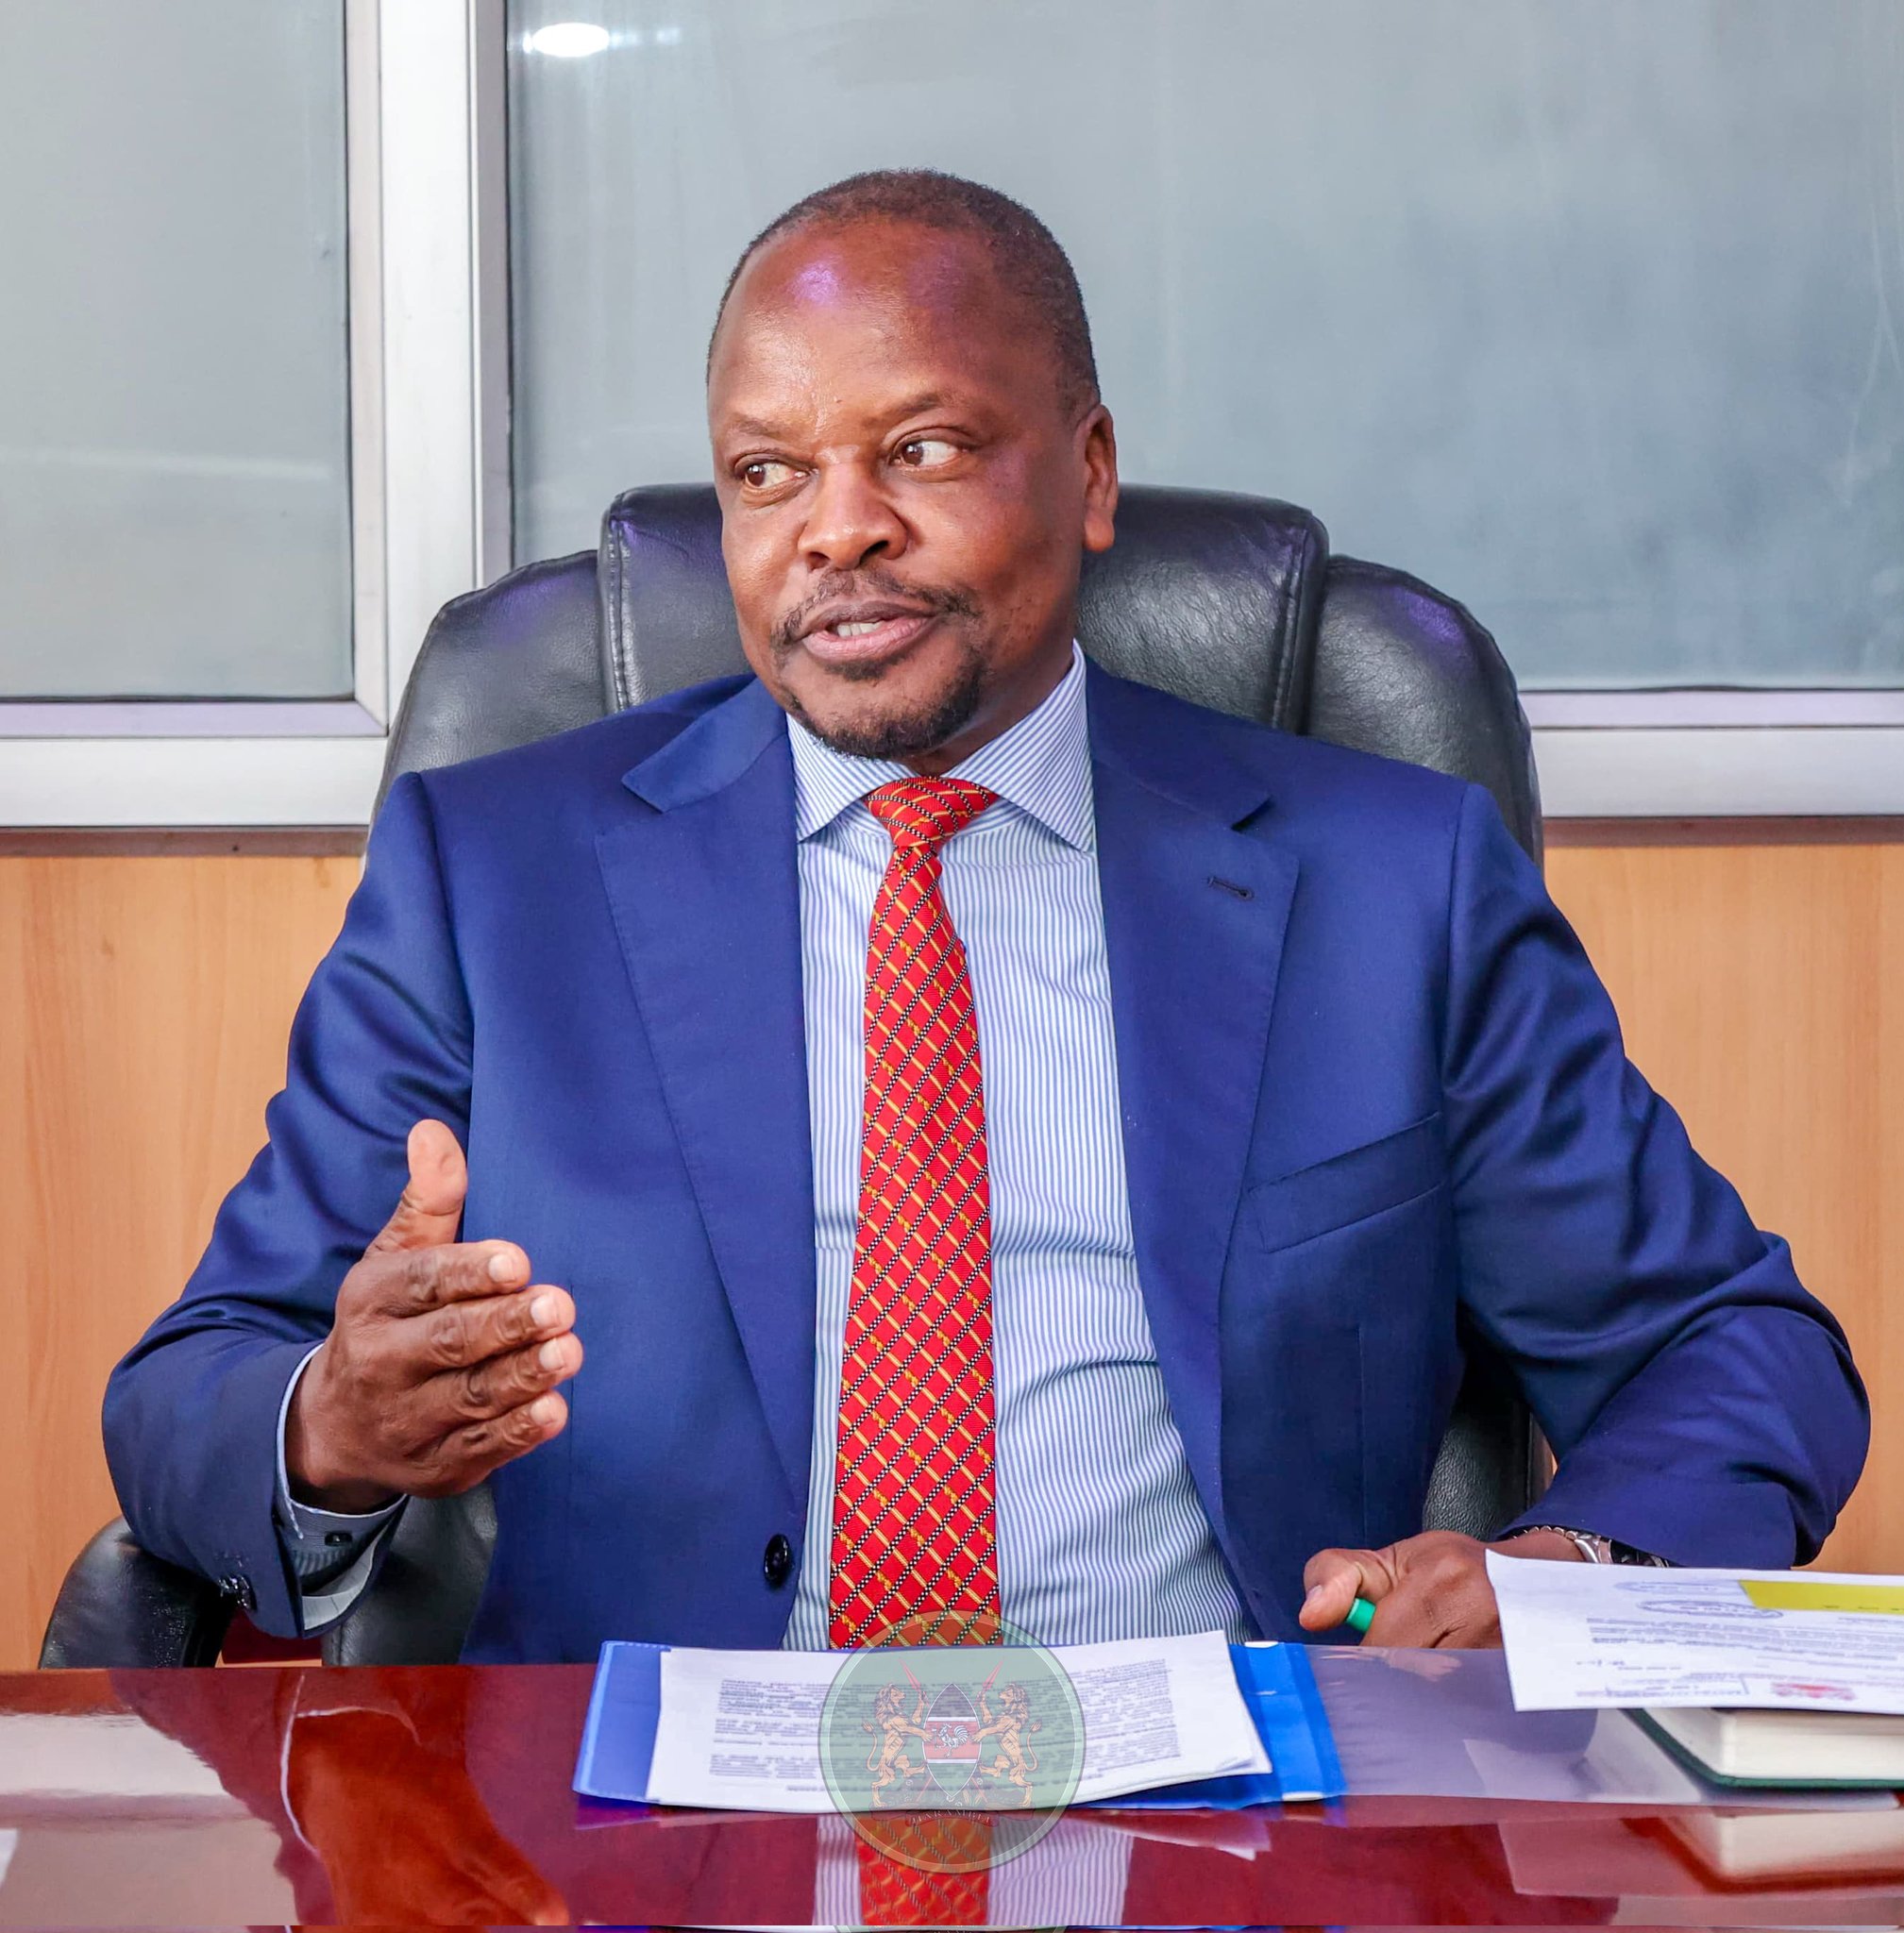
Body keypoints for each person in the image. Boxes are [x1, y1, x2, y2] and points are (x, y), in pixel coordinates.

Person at [105, 171, 1866, 1662]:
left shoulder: (1389, 886)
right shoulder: (495, 876)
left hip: (1217, 1811)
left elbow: (1733, 1347)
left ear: (1087, 473)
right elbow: (189, 1390)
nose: (837, 532)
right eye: (766, 473)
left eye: (922, 448)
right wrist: (332, 1429)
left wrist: (1561, 1575)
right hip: (637, 1815)